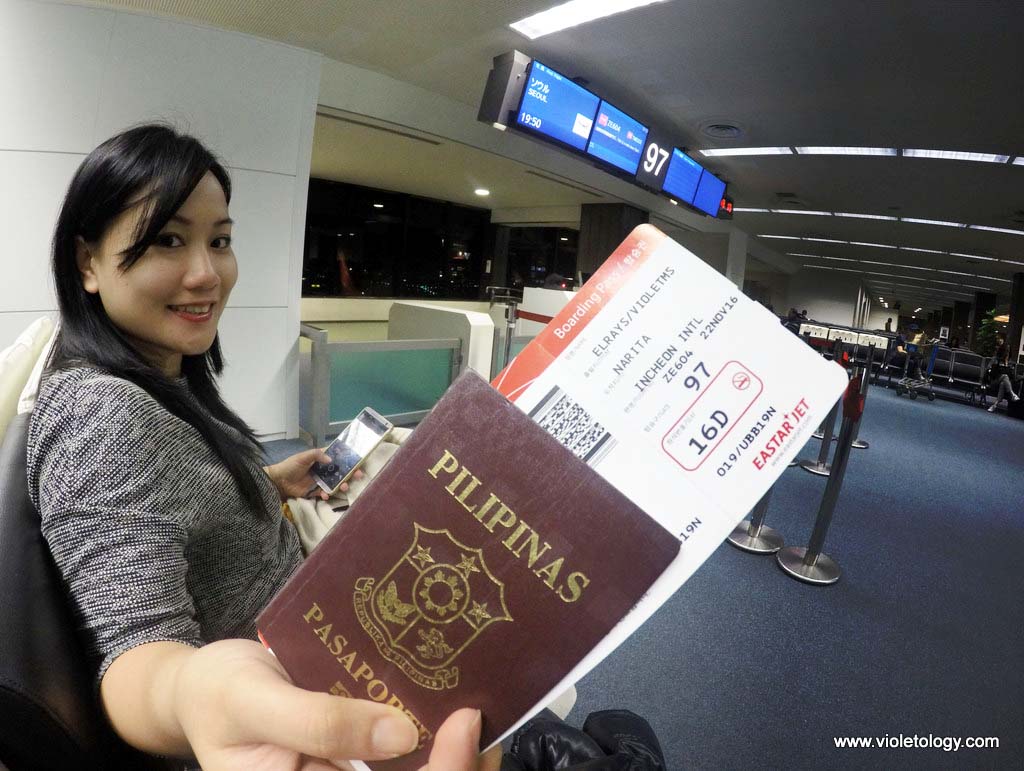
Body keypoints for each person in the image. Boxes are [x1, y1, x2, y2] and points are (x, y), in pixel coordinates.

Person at [27, 124, 499, 771]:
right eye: (169, 239)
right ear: (88, 262)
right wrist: (198, 694)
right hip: (291, 687)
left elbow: (166, 504)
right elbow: (136, 651)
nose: (207, 273)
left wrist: (271, 481)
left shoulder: (158, 374)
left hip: (309, 605)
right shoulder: (101, 414)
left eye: (219, 240)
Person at [986, 344, 1020, 413]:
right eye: (1006, 351)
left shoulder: (1010, 362)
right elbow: (988, 369)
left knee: (1003, 383)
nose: (1007, 353)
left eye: (1008, 351)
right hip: (994, 381)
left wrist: (1010, 370)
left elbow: (1013, 376)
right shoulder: (995, 359)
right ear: (1002, 351)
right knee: (1005, 376)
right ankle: (1012, 394)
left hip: (1005, 384)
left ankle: (995, 405)